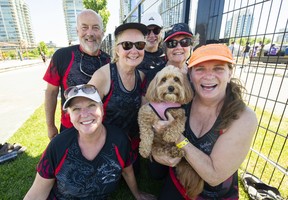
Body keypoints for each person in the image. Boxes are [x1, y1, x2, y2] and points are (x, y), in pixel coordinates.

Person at [148, 44, 258, 199]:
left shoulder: (243, 117)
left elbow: (214, 176)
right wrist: (156, 153)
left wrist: (178, 138)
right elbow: (156, 134)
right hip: (179, 181)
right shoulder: (182, 100)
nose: (208, 76)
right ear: (190, 74)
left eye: (218, 68)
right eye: (200, 69)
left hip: (214, 195)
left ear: (229, 73)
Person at [24, 84, 155, 199]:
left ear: (102, 109)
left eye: (91, 105)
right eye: (76, 109)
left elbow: (127, 170)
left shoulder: (119, 140)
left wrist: (137, 193)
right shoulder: (58, 146)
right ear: (69, 115)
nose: (85, 114)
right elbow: (36, 194)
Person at [88, 22, 148, 174]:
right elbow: (84, 113)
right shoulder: (103, 76)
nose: (134, 50)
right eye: (127, 45)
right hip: (105, 145)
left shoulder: (140, 76)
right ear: (117, 49)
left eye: (139, 45)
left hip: (130, 145)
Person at [43, 9, 110, 140]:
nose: (90, 33)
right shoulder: (62, 56)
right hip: (70, 129)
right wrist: (50, 125)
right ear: (77, 31)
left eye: (95, 28)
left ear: (102, 32)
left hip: (100, 129)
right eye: (84, 27)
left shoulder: (108, 60)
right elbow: (51, 92)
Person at [144, 22, 194, 89]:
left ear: (190, 47)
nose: (178, 47)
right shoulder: (152, 75)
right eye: (172, 43)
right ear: (166, 49)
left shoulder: (196, 75)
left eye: (185, 42)